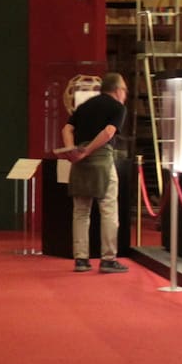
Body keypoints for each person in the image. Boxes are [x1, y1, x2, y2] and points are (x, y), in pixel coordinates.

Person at [58, 72, 128, 273]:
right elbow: (108, 132)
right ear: (118, 90)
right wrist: (89, 151)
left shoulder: (85, 106)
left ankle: (81, 259)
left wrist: (73, 151)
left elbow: (67, 129)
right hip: (102, 160)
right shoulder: (118, 108)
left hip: (79, 162)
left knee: (81, 212)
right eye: (124, 91)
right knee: (108, 210)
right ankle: (108, 259)